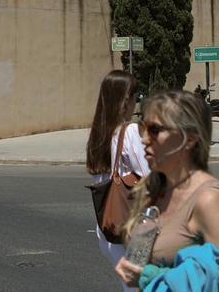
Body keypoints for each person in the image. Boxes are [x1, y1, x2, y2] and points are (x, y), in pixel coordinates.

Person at [114, 91, 219, 291]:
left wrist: (150, 277)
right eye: (142, 128)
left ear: (189, 139)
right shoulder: (153, 186)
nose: (143, 139)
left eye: (154, 130)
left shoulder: (207, 199)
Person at [86, 70, 149, 280]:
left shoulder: (98, 134)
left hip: (108, 227)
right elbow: (150, 178)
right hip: (134, 229)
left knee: (131, 286)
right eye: (135, 96)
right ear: (124, 100)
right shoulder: (129, 132)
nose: (136, 103)